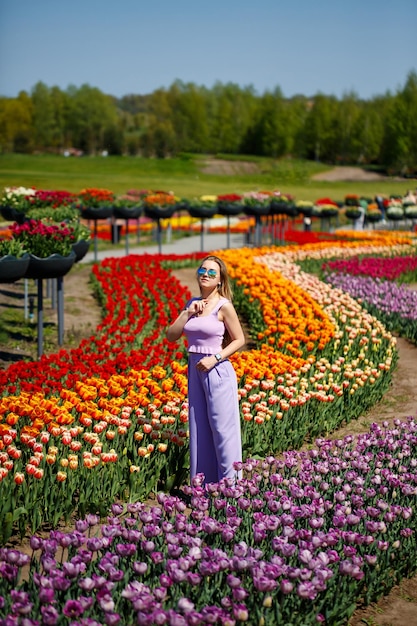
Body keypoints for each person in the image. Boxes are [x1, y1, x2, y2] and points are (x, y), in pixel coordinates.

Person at [167, 255, 245, 485]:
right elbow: (171, 336)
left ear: (220, 280)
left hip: (217, 370)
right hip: (194, 370)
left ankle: (231, 489)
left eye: (213, 272)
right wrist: (186, 313)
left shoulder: (224, 306)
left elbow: (239, 339)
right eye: (203, 270)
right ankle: (204, 488)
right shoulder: (191, 304)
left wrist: (216, 358)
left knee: (222, 429)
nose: (206, 275)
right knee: (199, 428)